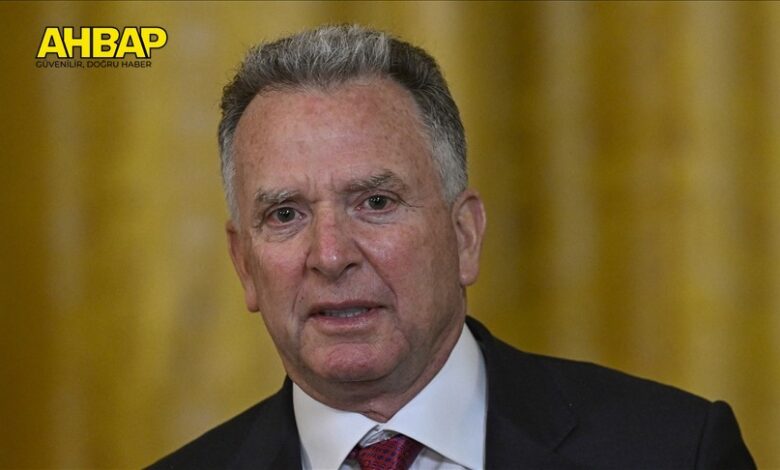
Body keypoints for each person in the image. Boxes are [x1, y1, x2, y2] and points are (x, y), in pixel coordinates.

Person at [150, 24, 755, 469]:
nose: (330, 256)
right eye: (285, 214)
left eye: (376, 202)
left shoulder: (676, 451)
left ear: (464, 235)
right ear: (244, 265)